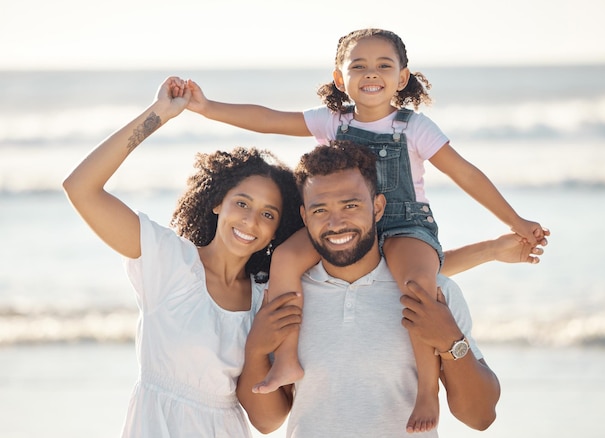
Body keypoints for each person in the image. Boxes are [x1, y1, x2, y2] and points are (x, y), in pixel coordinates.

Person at [185, 28, 548, 432]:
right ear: (340, 78)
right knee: (286, 258)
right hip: (350, 227)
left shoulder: (415, 127)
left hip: (405, 223)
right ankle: (287, 358)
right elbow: (269, 119)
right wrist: (206, 107)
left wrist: (515, 222)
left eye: (383, 65)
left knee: (419, 289)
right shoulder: (333, 121)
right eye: (358, 66)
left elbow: (465, 172)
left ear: (402, 76)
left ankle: (427, 388)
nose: (370, 73)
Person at [62, 77, 303, 437]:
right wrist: (160, 114)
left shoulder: (263, 298)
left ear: (277, 229)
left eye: (268, 214)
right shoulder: (169, 261)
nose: (251, 221)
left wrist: (256, 349)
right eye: (242, 203)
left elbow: (268, 422)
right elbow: (80, 187)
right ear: (218, 203)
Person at [238, 141, 502, 437]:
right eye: (320, 209)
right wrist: (256, 351)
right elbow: (265, 421)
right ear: (304, 216)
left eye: (351, 205)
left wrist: (451, 341)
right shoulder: (285, 294)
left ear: (377, 207)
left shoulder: (434, 292)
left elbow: (480, 417)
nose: (336, 223)